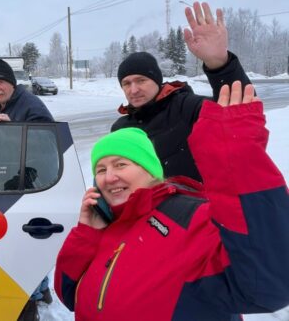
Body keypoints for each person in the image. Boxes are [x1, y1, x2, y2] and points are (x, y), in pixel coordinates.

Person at [55, 81, 289, 320]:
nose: (109, 177)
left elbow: (267, 287)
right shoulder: (106, 225)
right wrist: (87, 234)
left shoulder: (191, 218)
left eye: (121, 164)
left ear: (150, 171)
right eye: (101, 170)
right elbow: (68, 293)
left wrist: (237, 163)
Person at [112, 0, 251, 181]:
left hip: (195, 199)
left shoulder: (185, 107)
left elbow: (238, 114)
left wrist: (220, 64)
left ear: (157, 81)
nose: (134, 89)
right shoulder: (120, 128)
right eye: (126, 83)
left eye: (141, 80)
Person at [0, 58, 53, 319]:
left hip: (30, 181)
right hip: (5, 182)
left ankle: (31, 298)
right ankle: (42, 289)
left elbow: (47, 142)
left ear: (11, 83)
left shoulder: (32, 105)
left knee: (24, 244)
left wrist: (13, 127)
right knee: (20, 243)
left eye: (0, 82)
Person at [0, 58, 53, 122]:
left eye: (0, 82)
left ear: (12, 84)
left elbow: (45, 131)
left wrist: (12, 128)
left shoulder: (34, 108)